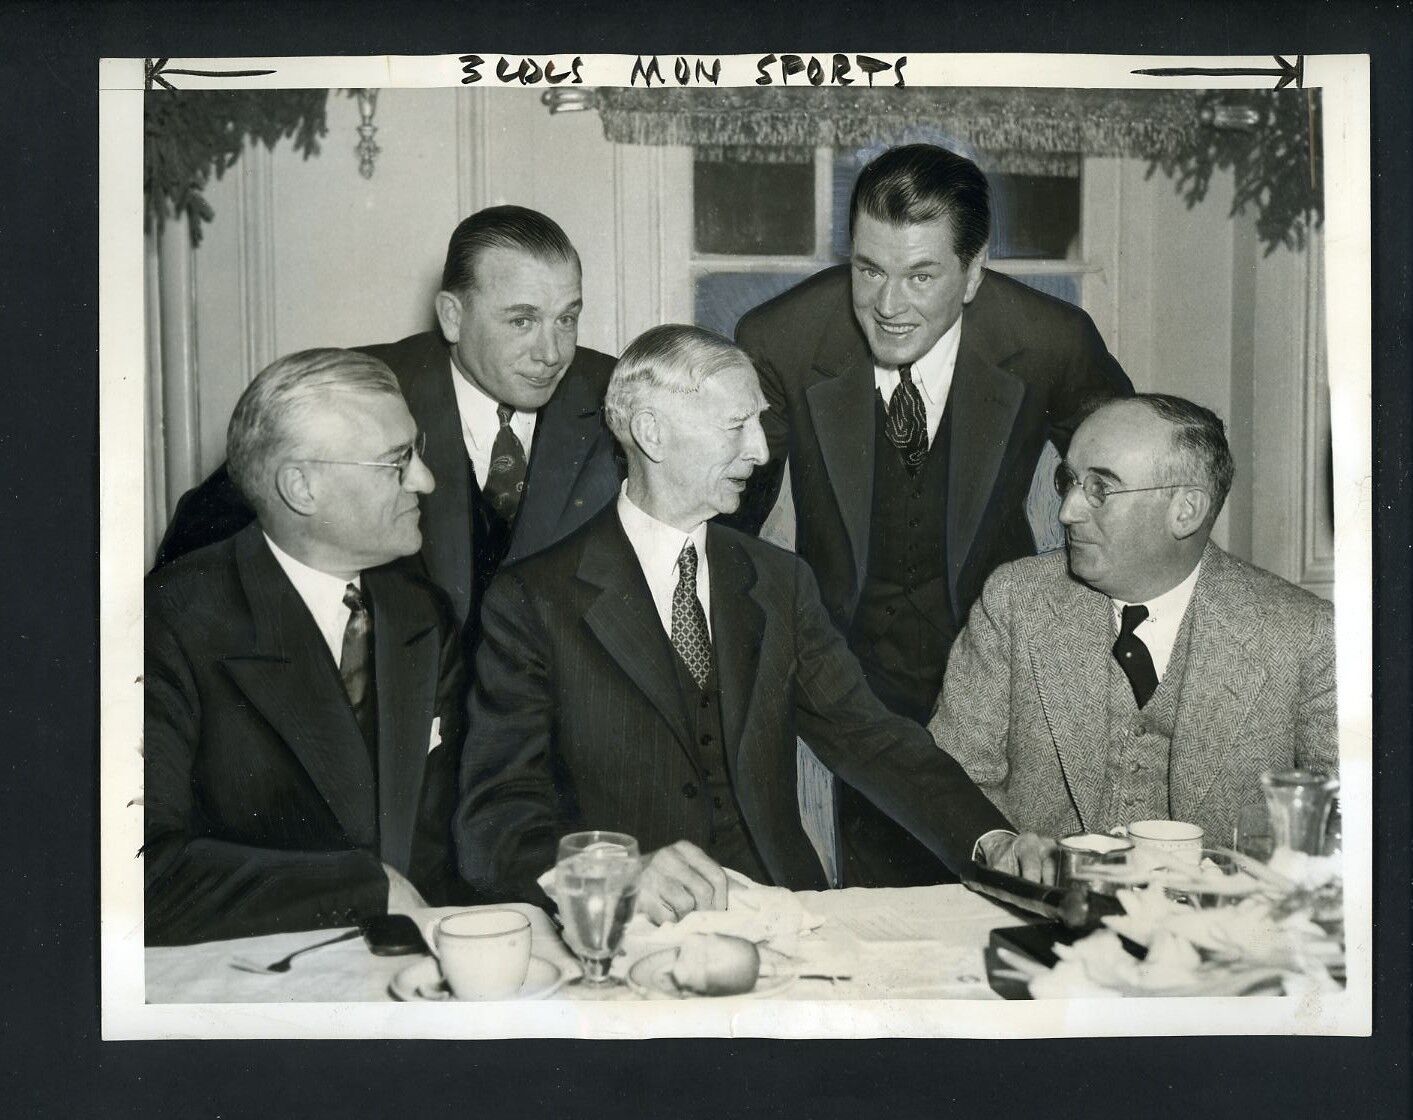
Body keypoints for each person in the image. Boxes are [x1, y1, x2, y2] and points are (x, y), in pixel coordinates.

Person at [455, 325, 1053, 922]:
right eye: (735, 425)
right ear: (651, 433)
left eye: (759, 424)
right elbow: (496, 822)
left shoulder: (779, 581)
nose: (761, 452)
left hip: (785, 918)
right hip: (632, 936)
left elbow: (872, 739)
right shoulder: (533, 600)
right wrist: (618, 876)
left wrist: (988, 839)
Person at [725, 143, 1134, 887]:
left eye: (920, 275)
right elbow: (730, 516)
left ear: (973, 273)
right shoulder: (779, 340)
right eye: (867, 269)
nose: (887, 304)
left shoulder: (1048, 340)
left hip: (1000, 653)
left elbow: (1131, 474)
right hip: (853, 666)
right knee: (887, 911)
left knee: (1016, 891)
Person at [152, 205, 621, 662]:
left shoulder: (616, 395)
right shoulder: (363, 391)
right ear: (452, 316)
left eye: (566, 318)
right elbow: (197, 549)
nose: (552, 353)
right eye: (522, 321)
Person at [144, 349, 471, 945]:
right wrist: (362, 889)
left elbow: (453, 839)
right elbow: (140, 874)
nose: (425, 479)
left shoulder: (420, 614)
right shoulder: (172, 621)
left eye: (416, 450)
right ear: (301, 486)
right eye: (397, 461)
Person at [928, 394, 1338, 847]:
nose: (1067, 511)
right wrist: (998, 845)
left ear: (1186, 511)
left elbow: (1346, 833)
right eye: (1070, 481)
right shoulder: (1015, 601)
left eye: (1101, 489)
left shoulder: (1305, 637)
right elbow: (949, 779)